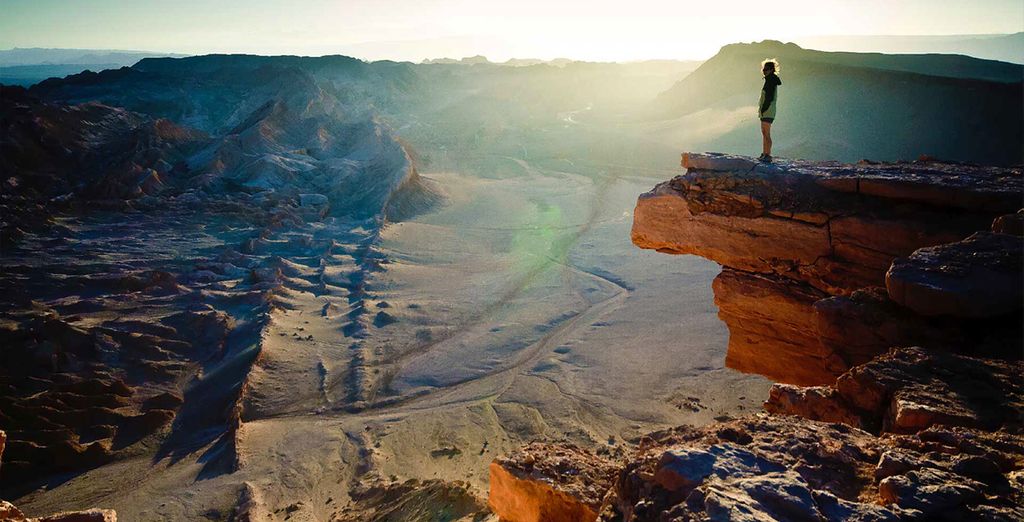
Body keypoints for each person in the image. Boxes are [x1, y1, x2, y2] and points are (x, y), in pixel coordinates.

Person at [758, 59, 781, 163]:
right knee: (764, 132)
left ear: (771, 70)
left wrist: (764, 108)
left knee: (766, 133)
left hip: (768, 110)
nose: (764, 71)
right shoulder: (770, 80)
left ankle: (767, 154)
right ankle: (764, 153)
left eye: (766, 69)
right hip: (767, 110)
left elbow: (769, 97)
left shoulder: (771, 81)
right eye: (763, 69)